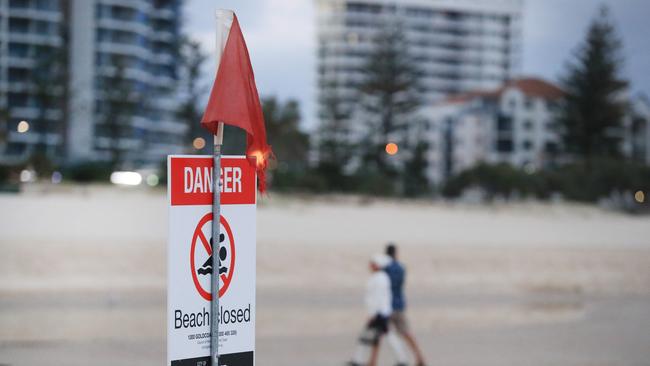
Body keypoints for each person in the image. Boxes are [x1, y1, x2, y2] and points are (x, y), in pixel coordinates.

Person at [385, 243, 427, 366]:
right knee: (406, 333)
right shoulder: (401, 268)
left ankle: (373, 361)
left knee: (380, 334)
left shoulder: (386, 268)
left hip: (388, 305)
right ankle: (418, 356)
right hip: (399, 303)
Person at [347, 254, 393, 366]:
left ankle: (358, 360)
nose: (370, 266)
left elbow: (379, 298)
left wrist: (374, 313)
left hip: (379, 314)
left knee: (373, 336)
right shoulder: (379, 277)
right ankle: (361, 360)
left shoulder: (381, 278)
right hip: (380, 313)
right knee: (379, 337)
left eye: (372, 264)